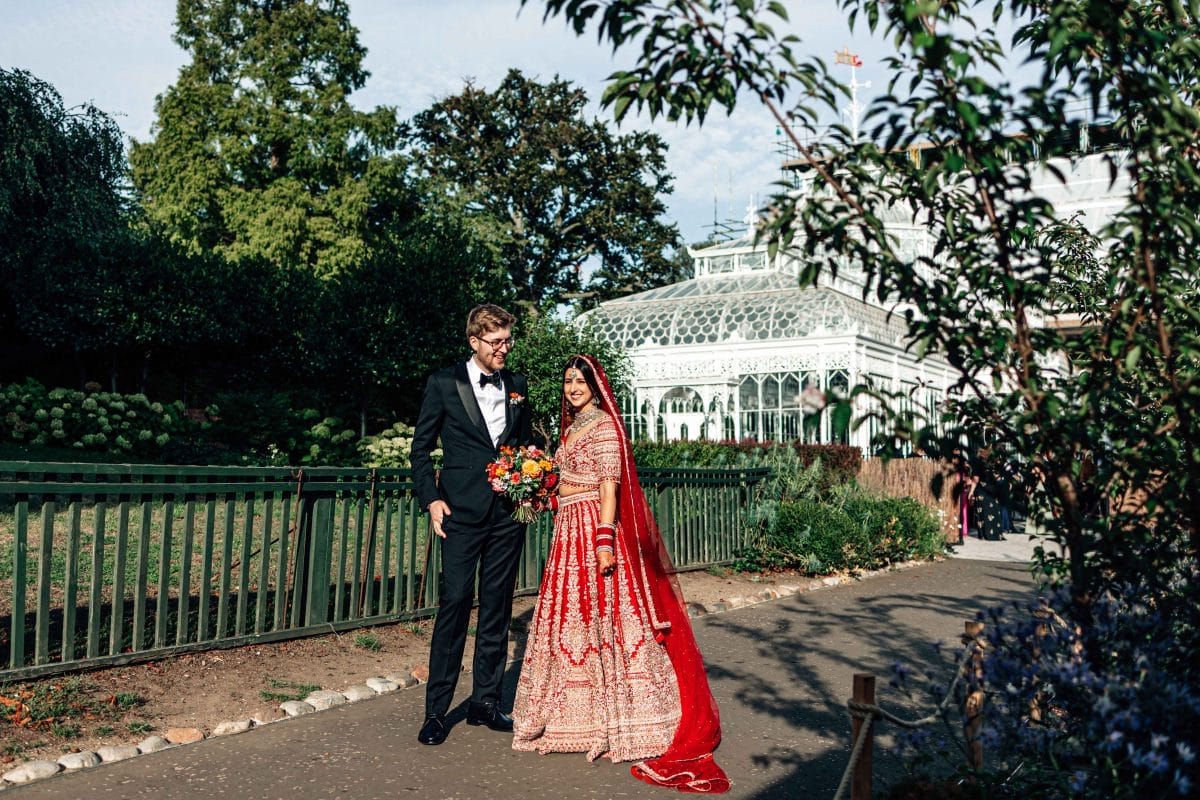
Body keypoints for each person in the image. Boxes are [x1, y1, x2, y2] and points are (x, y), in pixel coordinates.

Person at [512, 354, 730, 794]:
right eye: (568, 381)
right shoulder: (571, 429)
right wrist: (540, 494)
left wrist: (605, 540)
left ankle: (623, 717)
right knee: (572, 625)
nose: (573, 388)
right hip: (567, 535)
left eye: (580, 381)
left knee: (605, 619)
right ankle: (571, 715)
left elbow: (608, 487)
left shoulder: (604, 427)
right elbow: (568, 482)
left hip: (593, 530)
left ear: (596, 385)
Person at [410, 303, 535, 746]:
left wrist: (534, 479)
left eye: (508, 341)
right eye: (497, 342)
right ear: (474, 342)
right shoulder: (444, 383)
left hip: (506, 517)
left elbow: (526, 443)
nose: (505, 349)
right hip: (459, 514)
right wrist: (431, 499)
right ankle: (436, 712)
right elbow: (420, 450)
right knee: (455, 603)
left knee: (497, 606)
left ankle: (485, 702)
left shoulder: (517, 385)